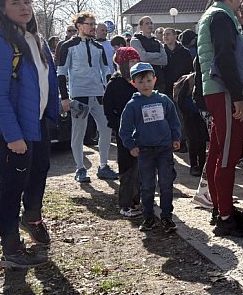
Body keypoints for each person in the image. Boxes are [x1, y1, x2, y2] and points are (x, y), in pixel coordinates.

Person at [0, 0, 59, 269]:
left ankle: (32, 219)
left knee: (39, 174)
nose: (24, 7)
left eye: (26, 1)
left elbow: (46, 81)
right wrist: (14, 137)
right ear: (1, 9)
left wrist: (53, 110)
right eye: (15, 3)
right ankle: (11, 250)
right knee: (12, 188)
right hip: (11, 131)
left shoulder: (34, 39)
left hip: (37, 124)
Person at [197, 0, 243, 237]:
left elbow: (237, 53)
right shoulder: (221, 17)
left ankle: (221, 207)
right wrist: (237, 97)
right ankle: (225, 217)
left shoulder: (215, 16)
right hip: (223, 91)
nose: (241, 2)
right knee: (229, 155)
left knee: (218, 151)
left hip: (216, 90)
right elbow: (225, 59)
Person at [119, 63, 181, 232]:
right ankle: (148, 217)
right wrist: (131, 145)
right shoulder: (132, 105)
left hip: (164, 149)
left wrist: (176, 137)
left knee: (166, 183)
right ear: (134, 84)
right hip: (144, 151)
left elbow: (174, 120)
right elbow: (124, 129)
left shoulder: (163, 100)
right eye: (141, 81)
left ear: (154, 80)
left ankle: (167, 217)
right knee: (147, 185)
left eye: (148, 80)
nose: (145, 84)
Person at [57, 12, 118, 183]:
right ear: (79, 26)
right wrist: (64, 97)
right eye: (90, 24)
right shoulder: (67, 46)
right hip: (79, 95)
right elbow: (61, 72)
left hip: (98, 94)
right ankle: (80, 168)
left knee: (106, 129)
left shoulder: (98, 47)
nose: (93, 27)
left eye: (94, 24)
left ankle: (104, 165)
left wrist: (109, 89)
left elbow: (106, 70)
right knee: (78, 132)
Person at [103, 47, 142, 218]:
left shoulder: (140, 82)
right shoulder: (115, 84)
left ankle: (139, 198)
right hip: (124, 131)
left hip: (142, 129)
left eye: (136, 61)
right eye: (131, 62)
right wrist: (116, 124)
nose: (134, 65)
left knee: (141, 166)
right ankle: (126, 203)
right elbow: (108, 107)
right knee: (127, 167)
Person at [131, 16, 168, 92]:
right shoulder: (136, 40)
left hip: (158, 79)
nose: (150, 25)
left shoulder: (157, 42)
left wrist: (149, 56)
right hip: (142, 78)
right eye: (147, 23)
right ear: (141, 27)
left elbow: (164, 60)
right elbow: (143, 58)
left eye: (151, 23)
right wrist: (158, 55)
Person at [162, 27, 194, 98]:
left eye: (168, 34)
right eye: (164, 35)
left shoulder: (184, 52)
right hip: (165, 89)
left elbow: (190, 69)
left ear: (175, 36)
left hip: (181, 88)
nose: (165, 36)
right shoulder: (161, 52)